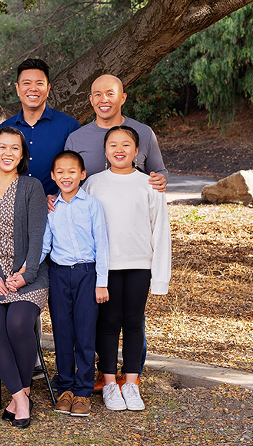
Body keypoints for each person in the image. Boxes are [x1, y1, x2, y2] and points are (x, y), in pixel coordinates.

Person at [62, 74, 168, 388]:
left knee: (133, 316)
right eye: (97, 94)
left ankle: (130, 375)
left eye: (110, 93)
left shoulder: (144, 133)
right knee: (103, 316)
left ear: (122, 97)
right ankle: (103, 373)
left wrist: (159, 181)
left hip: (135, 247)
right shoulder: (77, 139)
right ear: (91, 99)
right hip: (98, 246)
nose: (103, 99)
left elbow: (158, 170)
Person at [83, 126, 171, 412]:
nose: (119, 149)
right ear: (105, 151)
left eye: (126, 144)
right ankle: (109, 383)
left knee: (133, 322)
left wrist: (160, 278)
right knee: (107, 324)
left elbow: (160, 233)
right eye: (113, 144)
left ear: (136, 151)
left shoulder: (150, 184)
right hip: (104, 268)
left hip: (138, 266)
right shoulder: (93, 183)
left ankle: (131, 383)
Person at [0, 126, 49, 429]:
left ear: (22, 155)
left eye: (15, 148)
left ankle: (21, 397)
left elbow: (37, 236)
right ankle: (21, 397)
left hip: (29, 275)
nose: (8, 153)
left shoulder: (32, 187)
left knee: (18, 323)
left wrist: (25, 274)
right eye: (2, 147)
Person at [41, 150, 109, 418]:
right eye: (60, 172)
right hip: (58, 274)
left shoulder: (92, 205)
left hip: (86, 274)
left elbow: (102, 244)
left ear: (82, 175)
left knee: (84, 333)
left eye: (72, 171)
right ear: (53, 176)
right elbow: (45, 244)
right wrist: (26, 269)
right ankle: (65, 387)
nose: (66, 176)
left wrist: (101, 283)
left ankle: (83, 391)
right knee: (62, 331)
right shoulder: (51, 207)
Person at [0, 59, 80, 196]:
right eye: (27, 83)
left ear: (48, 89)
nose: (33, 88)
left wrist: (59, 197)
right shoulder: (5, 128)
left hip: (57, 208)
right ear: (17, 89)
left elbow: (78, 170)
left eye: (39, 83)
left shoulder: (69, 126)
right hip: (15, 209)